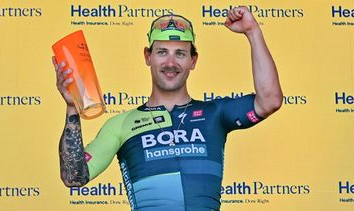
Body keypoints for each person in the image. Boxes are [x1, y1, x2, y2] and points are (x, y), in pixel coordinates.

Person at [53, 7, 282, 211]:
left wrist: (253, 32)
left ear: (193, 61)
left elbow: (270, 100)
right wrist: (72, 107)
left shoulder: (215, 114)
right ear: (148, 56)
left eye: (180, 53)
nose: (170, 63)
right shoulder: (120, 125)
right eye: (162, 52)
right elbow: (73, 177)